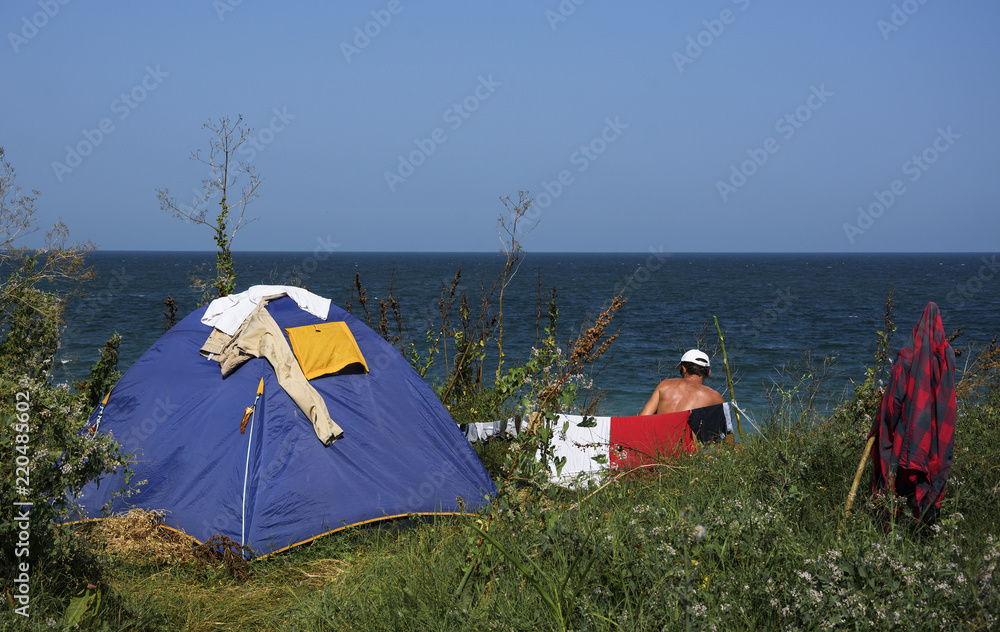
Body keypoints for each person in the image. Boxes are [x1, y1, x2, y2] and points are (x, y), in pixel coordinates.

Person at [640, 349, 733, 445]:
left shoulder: (664, 384)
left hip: (656, 446)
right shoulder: (715, 397)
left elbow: (642, 420)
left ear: (684, 369)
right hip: (685, 453)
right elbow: (728, 436)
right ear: (708, 372)